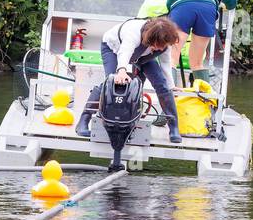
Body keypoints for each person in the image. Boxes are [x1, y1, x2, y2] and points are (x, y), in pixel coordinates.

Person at [76, 16, 183, 144]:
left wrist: (171, 85)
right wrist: (121, 71)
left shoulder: (165, 39)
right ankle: (84, 120)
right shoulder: (133, 31)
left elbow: (165, 63)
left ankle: (174, 127)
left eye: (163, 46)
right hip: (113, 49)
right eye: (158, 46)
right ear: (150, 39)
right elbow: (124, 52)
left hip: (143, 56)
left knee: (162, 86)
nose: (161, 49)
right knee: (111, 83)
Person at [159, 0, 237, 83]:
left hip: (183, 6)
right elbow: (231, 1)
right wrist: (221, 2)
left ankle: (168, 94)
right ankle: (203, 99)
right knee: (196, 62)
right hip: (207, 10)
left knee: (172, 56)